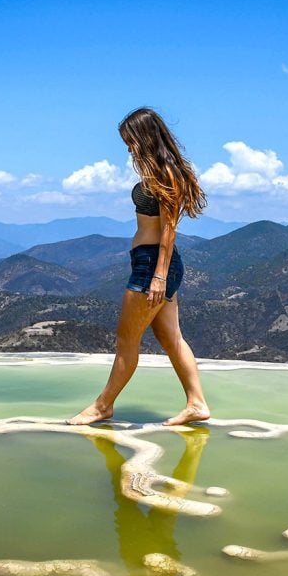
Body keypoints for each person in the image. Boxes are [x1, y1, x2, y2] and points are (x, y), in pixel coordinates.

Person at [67, 107, 210, 426]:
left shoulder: (167, 174)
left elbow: (169, 230)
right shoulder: (161, 172)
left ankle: (103, 406)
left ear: (145, 137)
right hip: (154, 264)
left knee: (126, 342)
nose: (129, 147)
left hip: (153, 267)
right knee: (171, 337)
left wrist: (159, 276)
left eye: (131, 141)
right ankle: (197, 402)